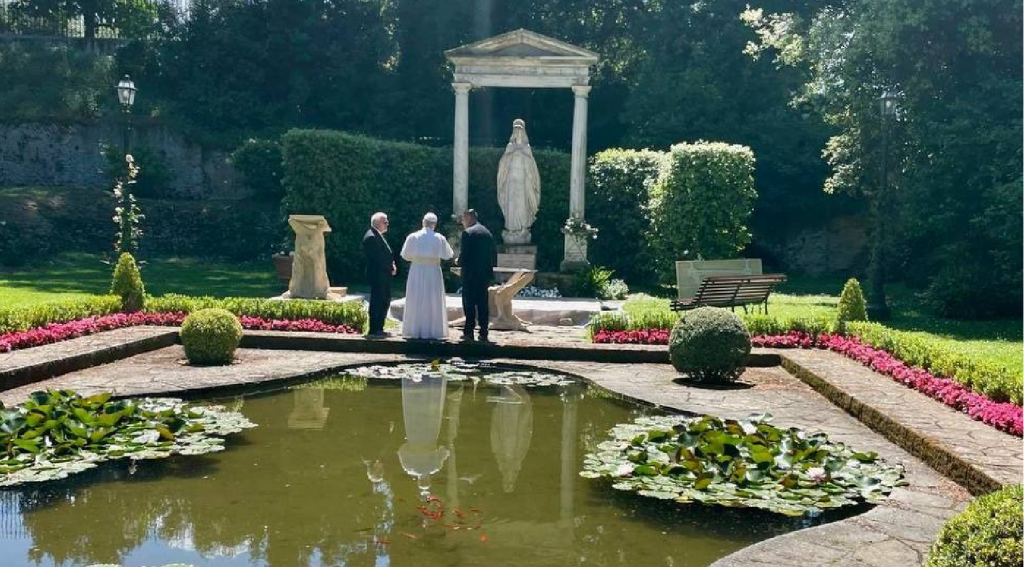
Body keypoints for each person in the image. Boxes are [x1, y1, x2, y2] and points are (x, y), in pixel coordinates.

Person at [400, 213, 454, 339]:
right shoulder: (439, 238)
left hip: (417, 270)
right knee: (433, 299)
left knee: (415, 297)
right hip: (433, 271)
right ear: (434, 224)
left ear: (423, 222)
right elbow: (448, 255)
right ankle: (433, 330)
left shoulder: (413, 236)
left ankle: (414, 329)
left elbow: (405, 255)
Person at [456, 209, 495, 341]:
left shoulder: (468, 233)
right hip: (484, 275)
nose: (462, 222)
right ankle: (484, 332)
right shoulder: (487, 232)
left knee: (469, 303)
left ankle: (469, 331)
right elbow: (492, 254)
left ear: (469, 218)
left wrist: (458, 261)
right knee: (483, 303)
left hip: (470, 274)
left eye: (463, 219)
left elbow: (465, 255)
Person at [362, 212, 396, 338]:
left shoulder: (377, 235)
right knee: (377, 301)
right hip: (378, 275)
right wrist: (390, 267)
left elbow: (385, 255)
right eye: (385, 222)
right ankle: (374, 329)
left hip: (384, 274)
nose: (387, 224)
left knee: (384, 300)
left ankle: (380, 328)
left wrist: (392, 264)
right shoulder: (371, 237)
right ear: (377, 223)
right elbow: (377, 259)